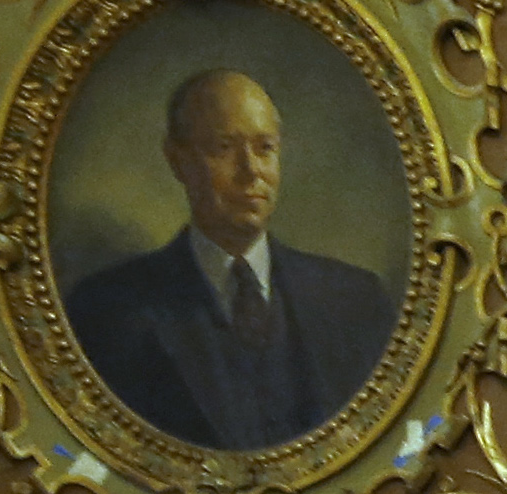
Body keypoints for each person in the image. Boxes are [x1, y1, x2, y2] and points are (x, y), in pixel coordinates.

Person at [61, 69, 395, 453]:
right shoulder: (107, 310)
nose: (250, 171)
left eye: (264, 148)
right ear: (178, 162)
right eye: (223, 148)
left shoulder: (357, 300)